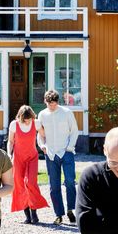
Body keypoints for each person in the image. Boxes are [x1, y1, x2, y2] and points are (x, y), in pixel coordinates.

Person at [38, 89, 79, 224]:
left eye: (54, 104)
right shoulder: (42, 114)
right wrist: (42, 146)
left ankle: (71, 210)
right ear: (45, 102)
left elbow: (74, 131)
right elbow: (40, 133)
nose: (52, 106)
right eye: (50, 104)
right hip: (51, 154)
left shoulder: (67, 113)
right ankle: (59, 214)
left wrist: (69, 148)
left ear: (57, 102)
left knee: (70, 182)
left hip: (66, 152)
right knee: (54, 186)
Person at [7, 105, 48, 224]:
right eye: (25, 120)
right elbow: (10, 141)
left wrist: (43, 145)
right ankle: (27, 216)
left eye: (29, 119)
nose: (27, 122)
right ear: (20, 117)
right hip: (18, 158)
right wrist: (9, 154)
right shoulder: (14, 124)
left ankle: (34, 213)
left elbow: (44, 136)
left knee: (31, 183)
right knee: (19, 185)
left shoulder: (36, 123)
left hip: (32, 157)